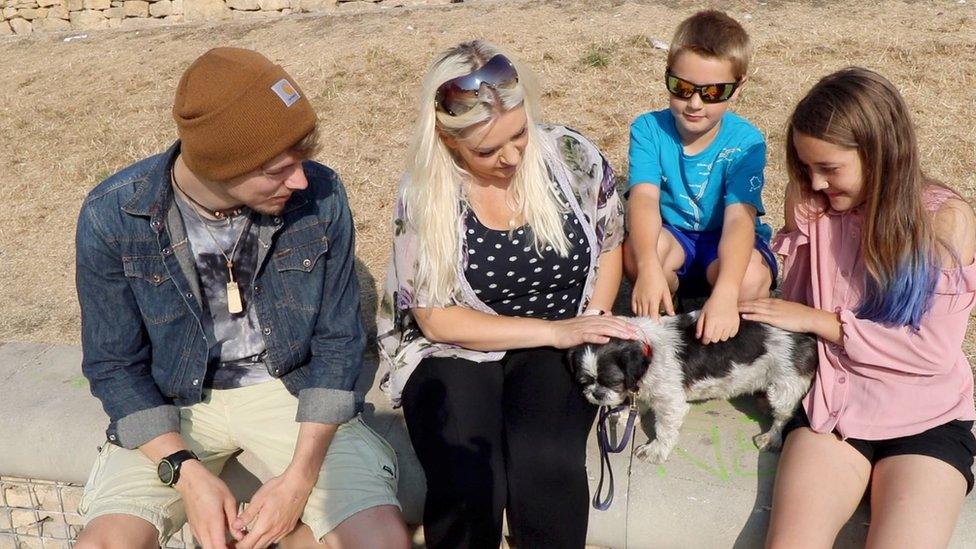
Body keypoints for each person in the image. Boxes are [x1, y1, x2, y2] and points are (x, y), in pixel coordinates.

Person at [74, 47, 408, 549]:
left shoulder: (320, 195)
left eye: (301, 158)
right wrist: (185, 472)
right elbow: (114, 366)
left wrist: (299, 479)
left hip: (291, 390)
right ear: (217, 166)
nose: (298, 180)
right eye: (277, 169)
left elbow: (339, 341)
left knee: (380, 540)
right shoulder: (113, 215)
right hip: (174, 400)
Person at [376, 40, 637, 548]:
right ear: (449, 143)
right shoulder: (425, 192)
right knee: (468, 472)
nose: (512, 156)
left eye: (518, 135)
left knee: (546, 462)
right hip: (456, 345)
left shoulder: (569, 156)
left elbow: (610, 244)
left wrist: (592, 322)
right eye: (487, 150)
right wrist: (556, 331)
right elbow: (436, 319)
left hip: (559, 341)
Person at [738, 67, 976, 548]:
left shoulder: (943, 219)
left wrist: (820, 322)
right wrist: (791, 236)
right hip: (835, 410)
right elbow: (798, 304)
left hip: (927, 418)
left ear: (880, 153)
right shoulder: (814, 201)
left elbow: (931, 351)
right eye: (805, 167)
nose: (816, 181)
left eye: (830, 167)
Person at [624, 10, 776, 343]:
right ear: (667, 75)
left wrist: (727, 290)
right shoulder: (648, 129)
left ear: (737, 88)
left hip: (724, 240)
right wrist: (648, 266)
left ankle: (734, 334)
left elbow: (739, 220)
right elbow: (644, 198)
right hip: (674, 236)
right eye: (681, 87)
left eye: (712, 92)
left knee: (748, 280)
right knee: (638, 256)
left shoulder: (746, 142)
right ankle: (666, 329)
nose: (694, 103)